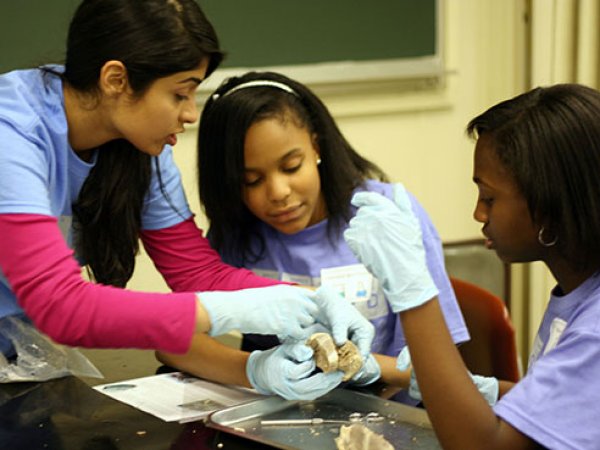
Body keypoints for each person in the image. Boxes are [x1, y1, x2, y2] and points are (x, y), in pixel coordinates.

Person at [0, 0, 374, 388]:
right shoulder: (11, 133)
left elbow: (197, 273)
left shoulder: (140, 147)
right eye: (180, 94)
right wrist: (227, 310)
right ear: (115, 79)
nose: (191, 113)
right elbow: (62, 308)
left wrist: (310, 300)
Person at [157, 71, 469, 401]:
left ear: (316, 147)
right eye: (251, 180)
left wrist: (368, 367)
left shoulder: (384, 216)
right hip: (279, 416)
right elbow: (174, 341)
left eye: (291, 167)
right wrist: (258, 369)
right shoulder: (239, 232)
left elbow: (439, 364)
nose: (278, 192)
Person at [345, 83, 600, 449]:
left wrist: (412, 290)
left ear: (550, 204)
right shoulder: (577, 291)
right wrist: (487, 391)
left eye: (490, 197)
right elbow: (563, 407)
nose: (479, 213)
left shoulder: (594, 329)